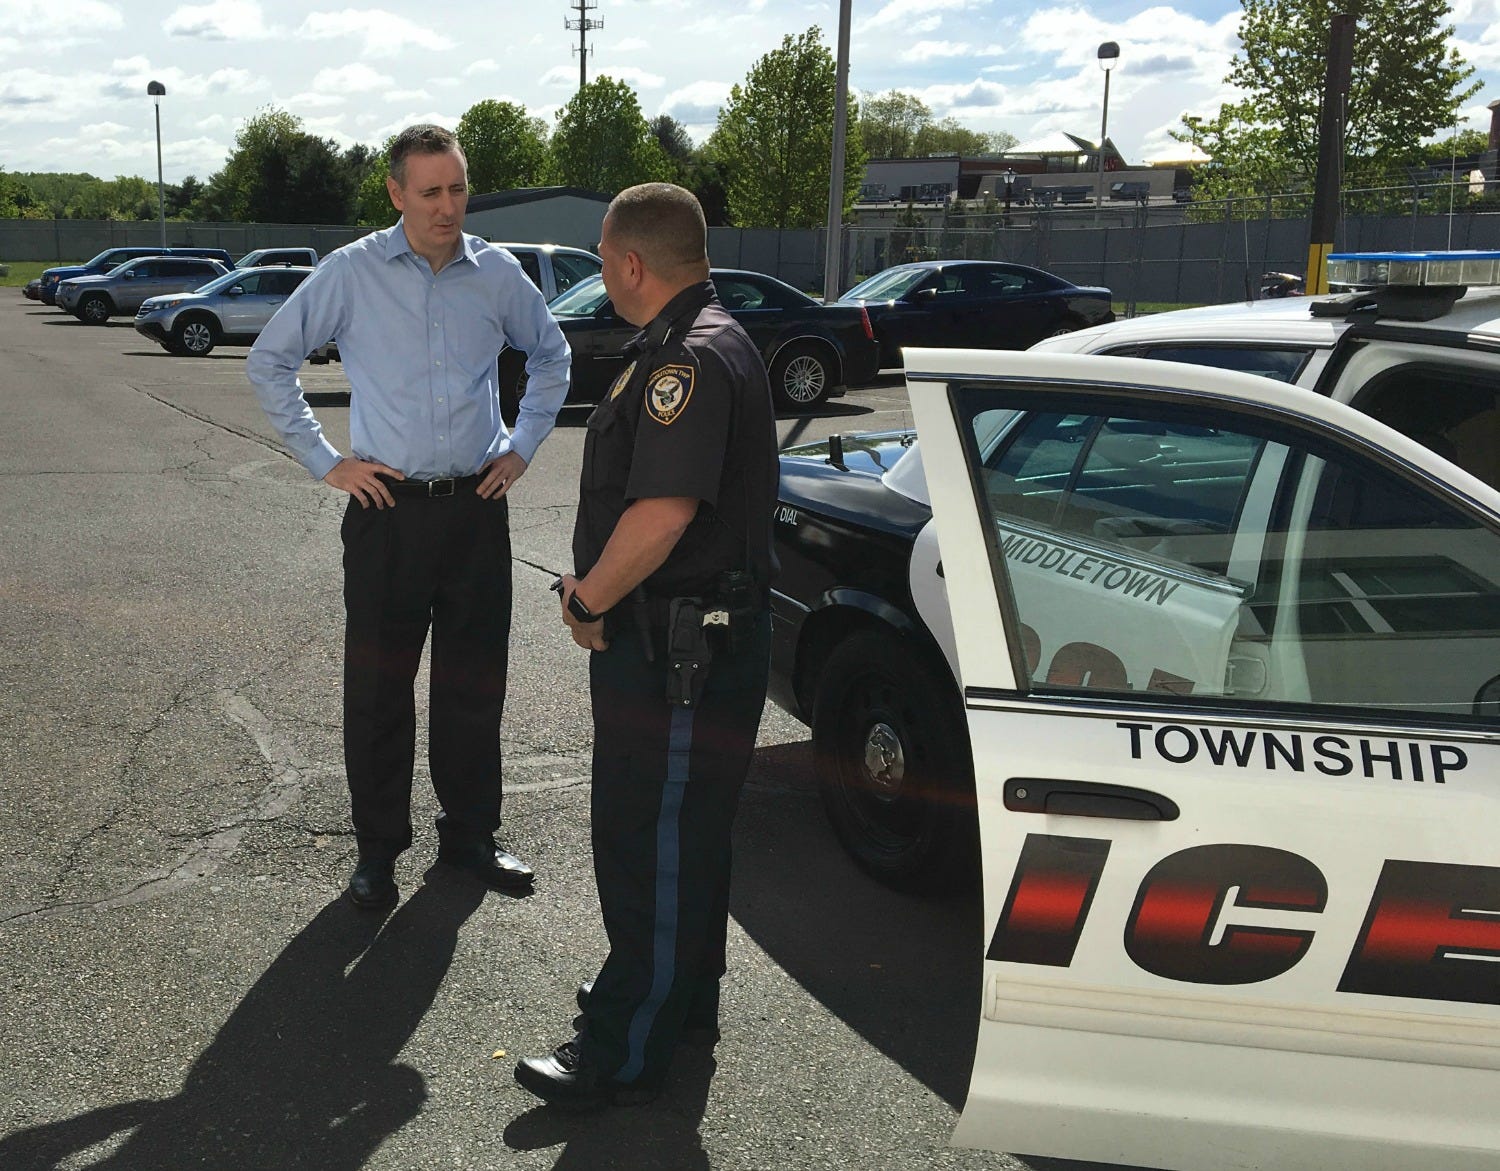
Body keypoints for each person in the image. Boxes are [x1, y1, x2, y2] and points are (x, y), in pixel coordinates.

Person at [246, 124, 571, 910]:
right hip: (387, 512)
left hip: (475, 510)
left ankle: (471, 835)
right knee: (379, 691)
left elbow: (552, 354)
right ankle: (377, 852)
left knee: (473, 684)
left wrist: (522, 445)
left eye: (457, 188)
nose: (447, 207)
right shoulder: (351, 272)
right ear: (396, 193)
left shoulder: (497, 274)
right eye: (430, 192)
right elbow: (270, 360)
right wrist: (328, 461)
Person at [514, 182, 777, 1106]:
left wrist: (590, 595)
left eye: (601, 254)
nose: (600, 267)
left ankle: (624, 1048)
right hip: (695, 645)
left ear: (631, 263)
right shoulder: (705, 338)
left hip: (677, 653)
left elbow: (662, 514)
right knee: (687, 836)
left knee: (649, 839)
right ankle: (678, 1002)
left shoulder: (687, 360)